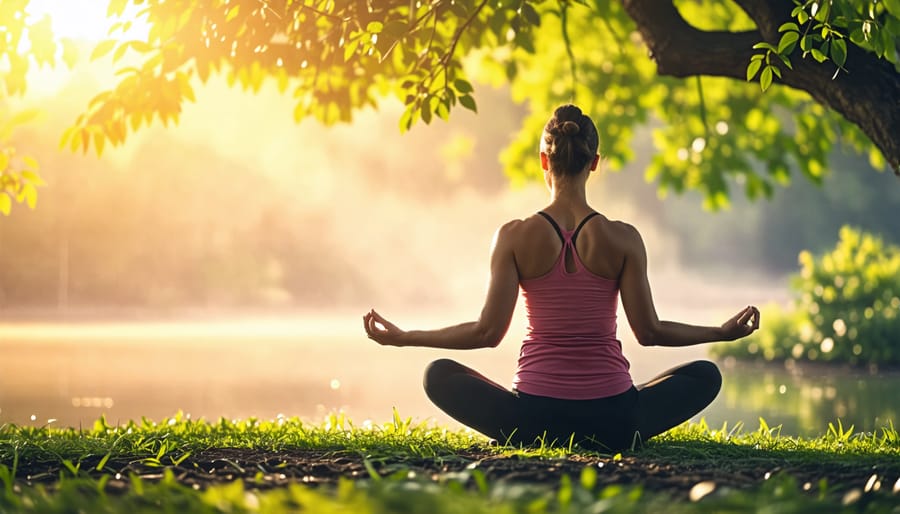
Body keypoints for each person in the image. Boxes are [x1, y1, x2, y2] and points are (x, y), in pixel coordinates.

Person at [362, 104, 760, 452]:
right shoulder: (623, 238)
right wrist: (721, 333)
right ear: (594, 162)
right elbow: (650, 332)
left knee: (438, 375)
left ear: (543, 161)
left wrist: (405, 337)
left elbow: (486, 332)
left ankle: (535, 431)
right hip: (614, 422)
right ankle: (613, 423)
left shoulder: (514, 236)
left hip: (533, 420)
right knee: (705, 375)